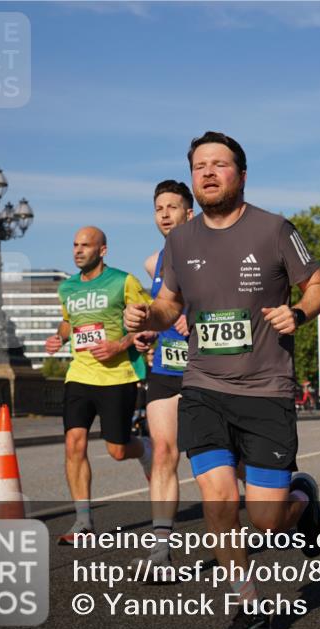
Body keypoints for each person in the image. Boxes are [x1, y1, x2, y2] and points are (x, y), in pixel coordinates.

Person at [124, 131, 320, 629]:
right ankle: (247, 608)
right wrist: (149, 314)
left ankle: (301, 503)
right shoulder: (181, 240)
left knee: (264, 521)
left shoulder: (275, 229)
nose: (209, 173)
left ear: (241, 173)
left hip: (266, 390)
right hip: (204, 388)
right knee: (218, 500)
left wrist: (300, 312)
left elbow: (319, 284)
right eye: (200, 166)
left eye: (220, 164)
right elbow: (170, 304)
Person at [44, 226, 153, 544]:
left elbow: (149, 321)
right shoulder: (67, 288)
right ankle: (83, 521)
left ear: (102, 250)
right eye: (75, 245)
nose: (78, 250)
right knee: (73, 444)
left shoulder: (124, 281)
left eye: (85, 245)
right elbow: (69, 321)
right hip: (80, 374)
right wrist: (59, 337)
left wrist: (119, 346)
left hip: (118, 376)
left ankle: (144, 448)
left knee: (118, 450)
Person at [129, 180, 193, 567]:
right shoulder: (155, 261)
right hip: (167, 367)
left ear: (190, 212)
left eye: (173, 206)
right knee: (164, 452)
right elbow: (162, 310)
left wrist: (198, 318)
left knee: (222, 461)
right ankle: (160, 550)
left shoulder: (212, 250)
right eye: (158, 208)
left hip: (209, 370)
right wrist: (147, 331)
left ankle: (293, 499)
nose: (165, 214)